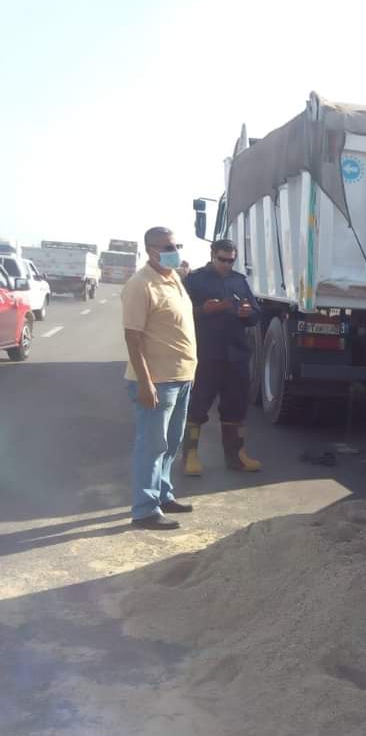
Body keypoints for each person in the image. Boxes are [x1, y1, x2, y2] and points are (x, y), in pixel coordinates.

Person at [121, 226, 197, 530]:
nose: (174, 251)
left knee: (171, 442)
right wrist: (145, 382)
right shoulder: (140, 285)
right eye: (168, 247)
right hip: (157, 381)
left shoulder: (172, 278)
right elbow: (133, 338)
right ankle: (144, 510)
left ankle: (163, 495)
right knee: (152, 447)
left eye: (176, 245)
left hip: (181, 377)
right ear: (150, 250)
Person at [181, 238, 262, 474]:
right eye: (222, 260)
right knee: (198, 404)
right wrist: (204, 310)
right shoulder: (195, 280)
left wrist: (248, 313)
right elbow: (179, 314)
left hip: (236, 354)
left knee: (236, 406)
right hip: (206, 354)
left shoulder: (239, 281)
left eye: (231, 261)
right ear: (212, 255)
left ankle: (236, 456)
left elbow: (256, 314)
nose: (227, 264)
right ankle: (190, 455)